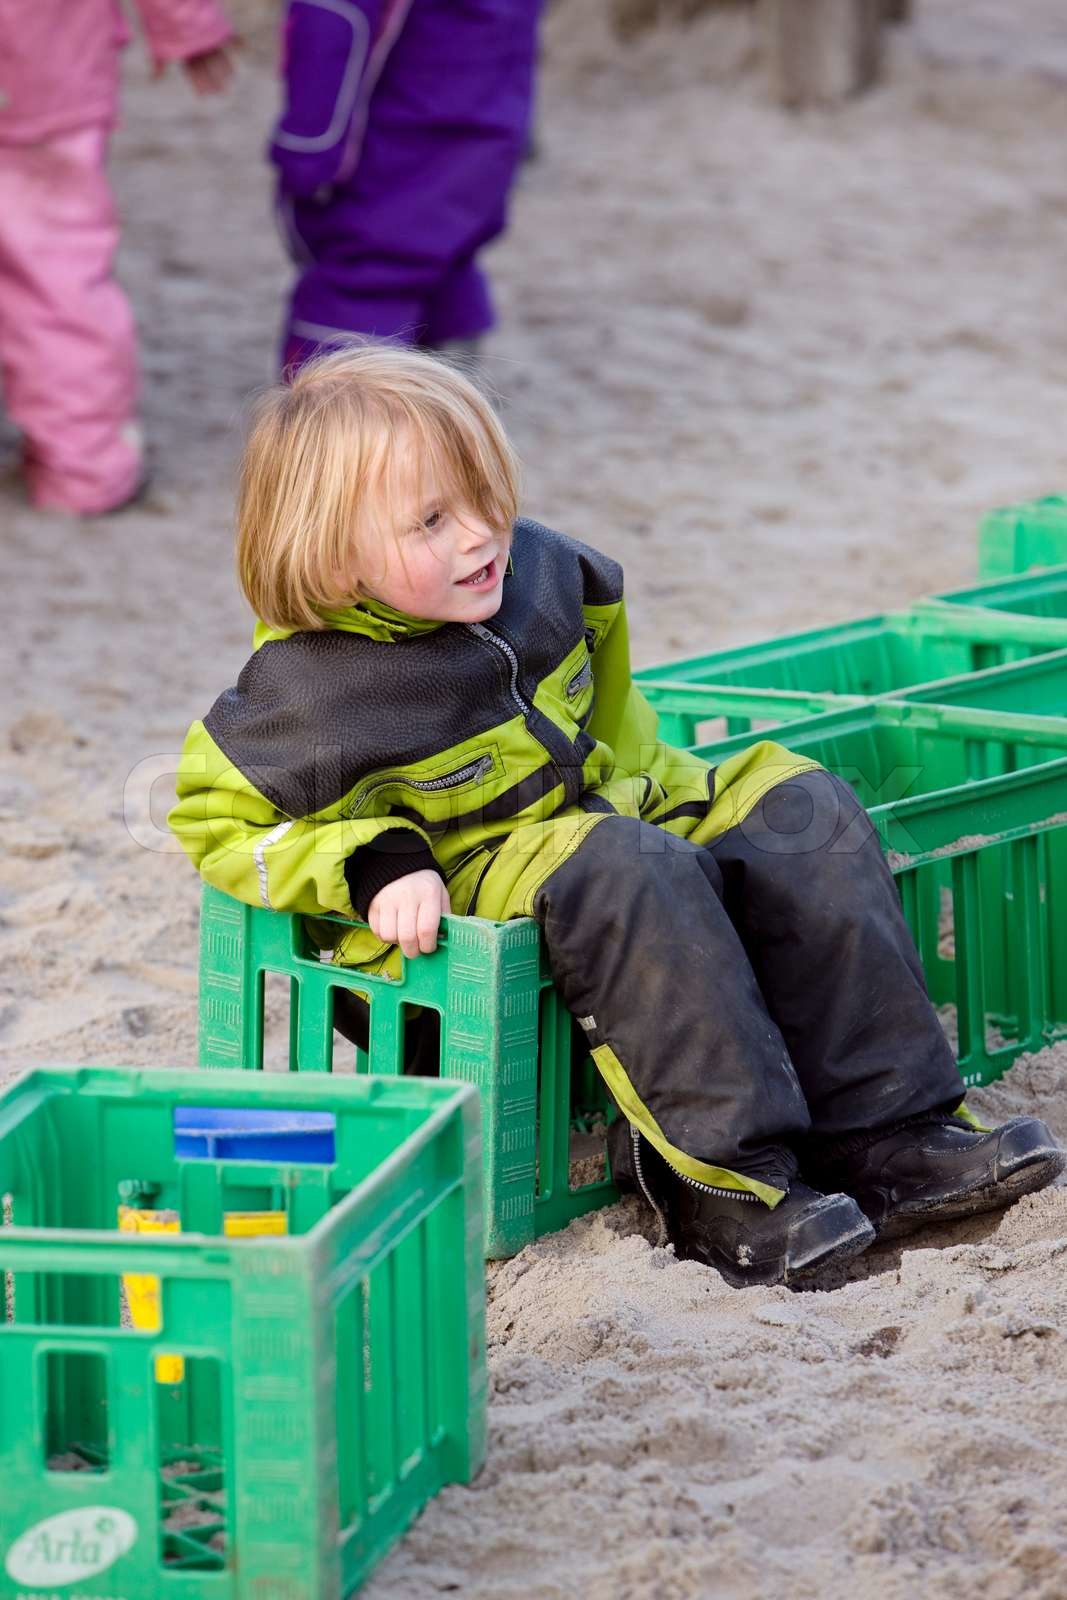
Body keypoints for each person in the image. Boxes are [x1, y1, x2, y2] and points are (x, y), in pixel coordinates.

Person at [170, 343, 1065, 1288]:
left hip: (603, 819)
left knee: (798, 804)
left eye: (485, 495)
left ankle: (890, 1133)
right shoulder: (297, 701)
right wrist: (371, 863)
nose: (480, 535)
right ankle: (727, 1186)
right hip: (470, 903)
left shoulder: (550, 580)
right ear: (328, 550)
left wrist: (686, 809)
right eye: (431, 520)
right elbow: (214, 826)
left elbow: (619, 735)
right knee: (624, 863)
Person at [0, 0, 235, 516]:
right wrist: (189, 25)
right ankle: (85, 470)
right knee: (53, 284)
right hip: (40, 72)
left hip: (41, 73)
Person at [269, 0, 542, 373]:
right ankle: (453, 397)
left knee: (365, 275)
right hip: (486, 136)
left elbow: (334, 20)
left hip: (396, 150)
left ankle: (345, 419)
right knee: (446, 263)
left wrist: (307, 149)